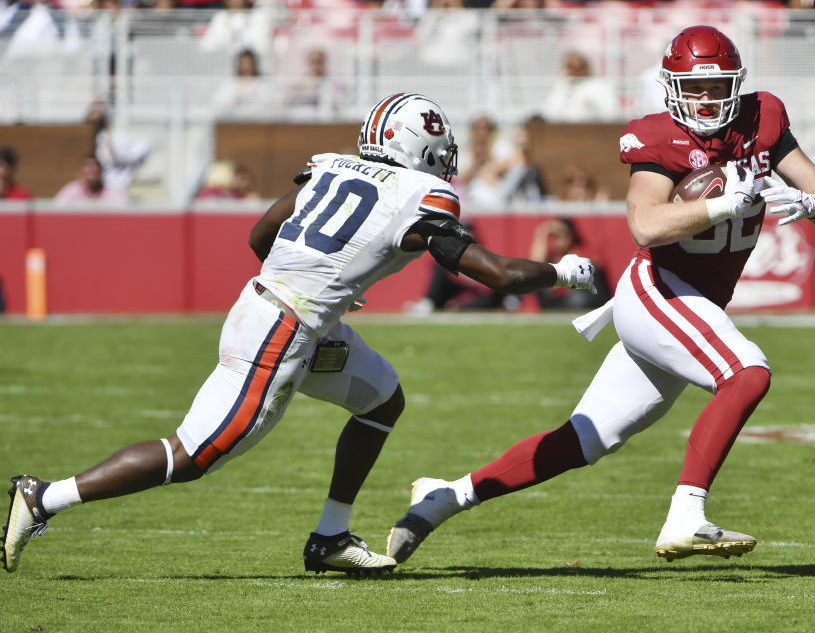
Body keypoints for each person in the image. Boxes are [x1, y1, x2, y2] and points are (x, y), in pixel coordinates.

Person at [2, 92, 596, 576]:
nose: (444, 163)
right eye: (438, 151)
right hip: (282, 330)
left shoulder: (330, 167)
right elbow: (498, 276)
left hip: (287, 314)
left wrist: (314, 282)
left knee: (381, 399)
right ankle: (43, 496)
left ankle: (331, 537)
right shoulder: (418, 196)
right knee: (192, 455)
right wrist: (563, 271)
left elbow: (263, 233)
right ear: (417, 150)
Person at [385, 25, 815, 565]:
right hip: (659, 291)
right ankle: (686, 515)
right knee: (747, 372)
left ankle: (444, 497)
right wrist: (723, 206)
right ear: (672, 88)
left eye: (716, 86)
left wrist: (813, 205)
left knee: (582, 440)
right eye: (692, 88)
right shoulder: (658, 138)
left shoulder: (762, 117)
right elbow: (645, 226)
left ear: (735, 84)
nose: (704, 99)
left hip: (692, 304)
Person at [529, 218, 611, 310]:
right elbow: (535, 266)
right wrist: (542, 232)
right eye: (554, 236)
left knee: (577, 298)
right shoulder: (554, 256)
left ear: (571, 235)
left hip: (587, 298)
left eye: (560, 235)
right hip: (561, 300)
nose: (557, 240)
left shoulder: (583, 251)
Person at [542, 51, 619, 123]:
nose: (576, 71)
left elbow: (610, 113)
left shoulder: (600, 86)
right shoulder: (560, 88)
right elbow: (551, 113)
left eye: (580, 67)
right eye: (571, 67)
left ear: (587, 67)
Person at [54, 156, 128, 205]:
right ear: (81, 171)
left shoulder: (113, 193)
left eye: (96, 166)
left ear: (101, 171)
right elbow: (56, 210)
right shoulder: (71, 191)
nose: (93, 169)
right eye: (88, 166)